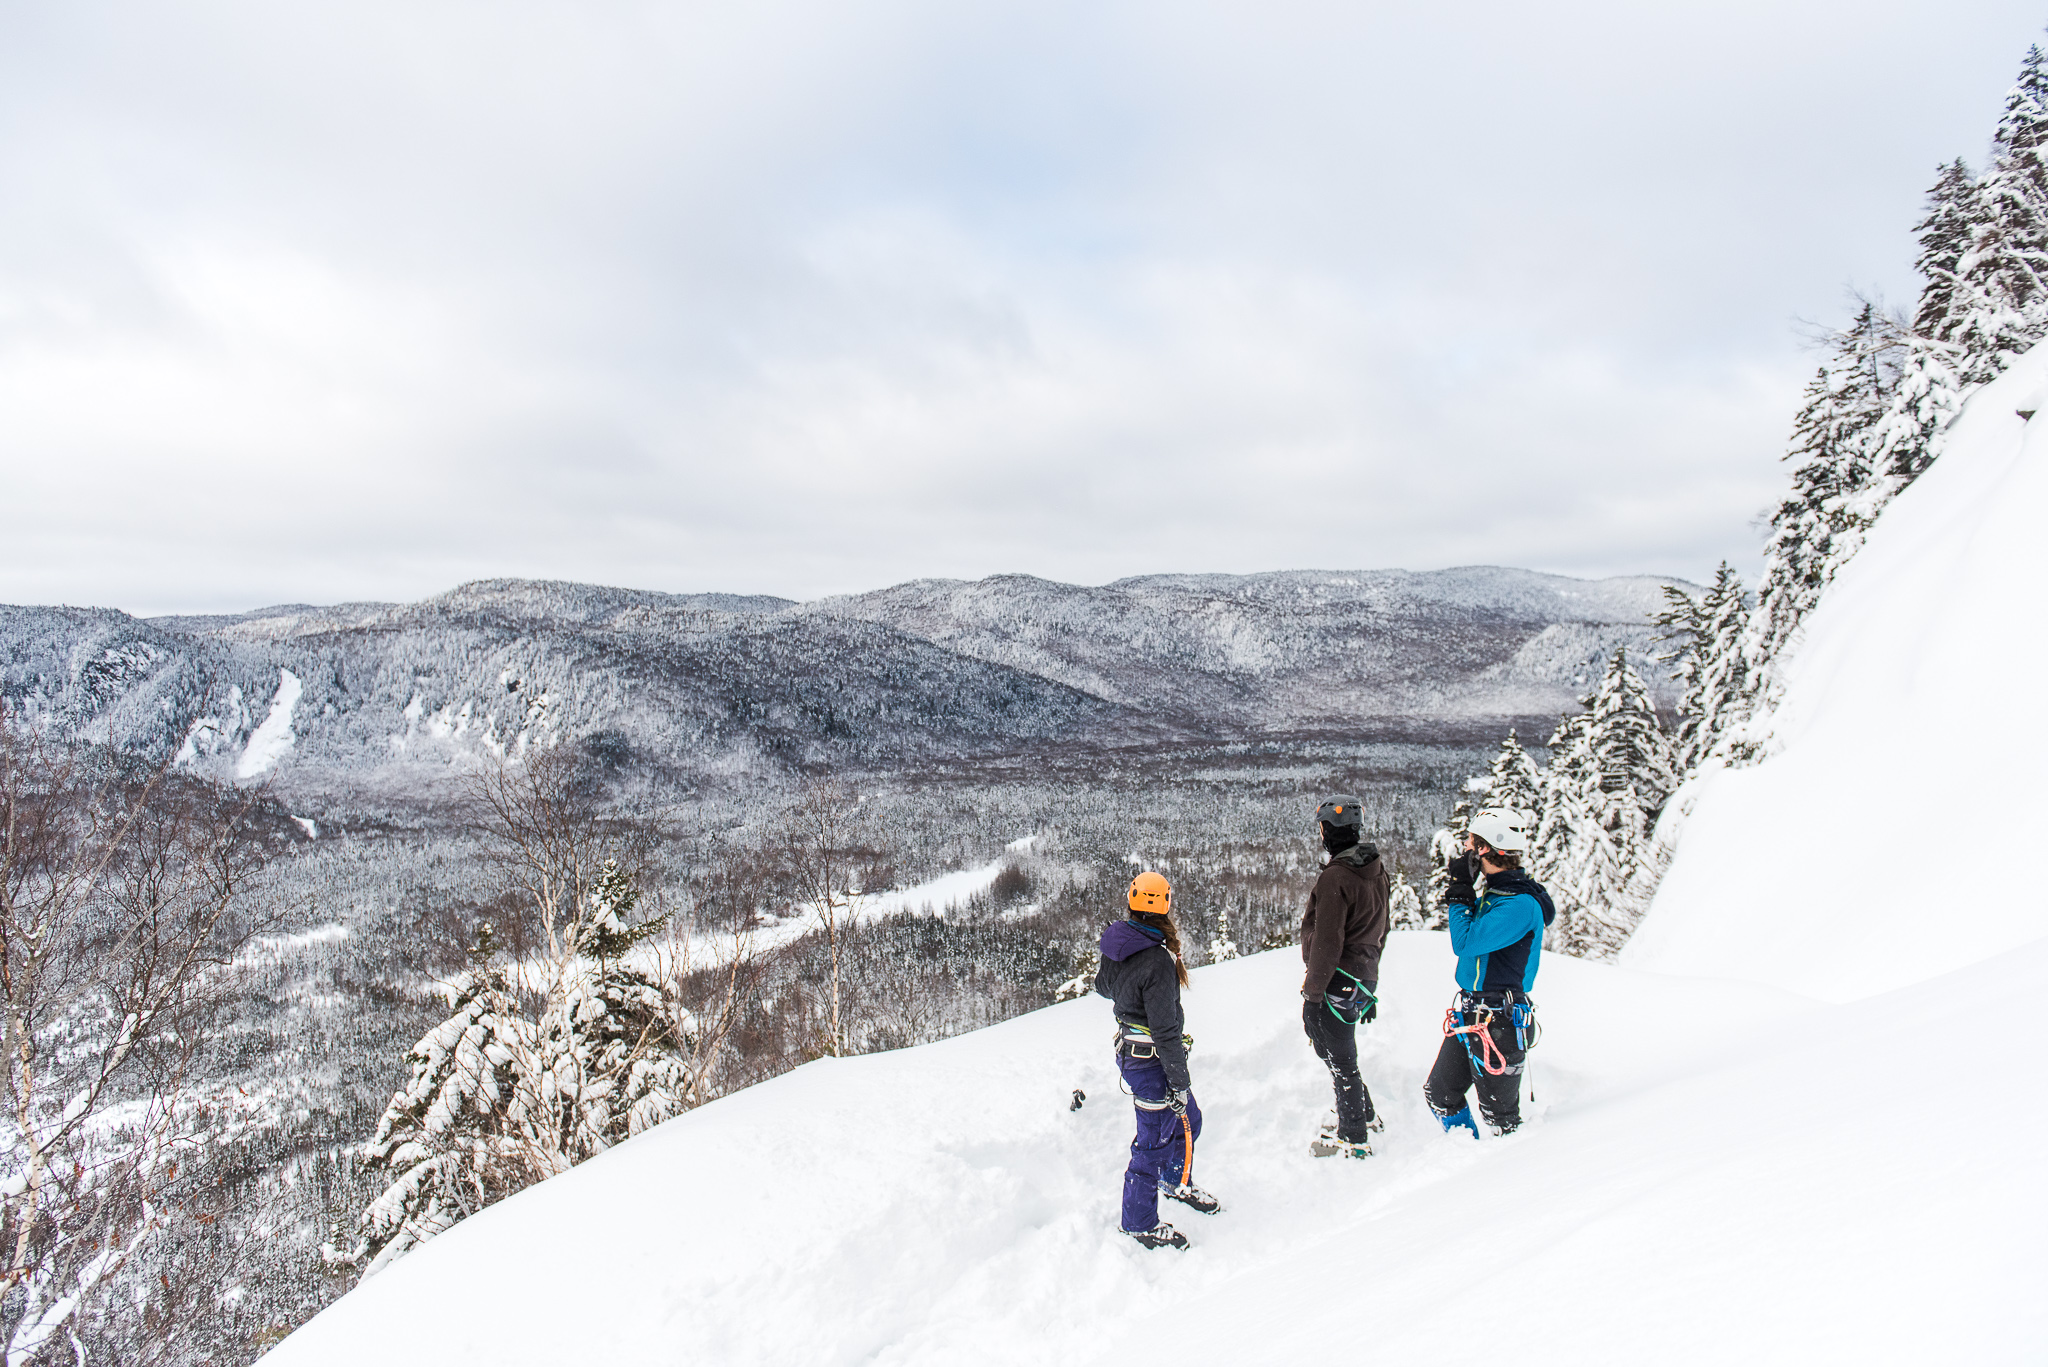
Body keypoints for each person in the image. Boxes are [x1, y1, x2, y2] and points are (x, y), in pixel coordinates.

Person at [1094, 870, 1220, 1250]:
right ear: (1165, 905)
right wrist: (1180, 1082)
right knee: (1151, 1143)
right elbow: (1165, 1031)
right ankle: (1138, 1222)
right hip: (1151, 1062)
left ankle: (1174, 1180)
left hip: (1136, 1053)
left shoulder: (1120, 941)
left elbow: (1103, 987)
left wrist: (1127, 989)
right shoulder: (1157, 959)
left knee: (1189, 1121)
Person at [1424, 806, 1555, 1137]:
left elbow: (1465, 943)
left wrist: (1459, 890)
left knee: (1501, 1120)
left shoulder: (1517, 904)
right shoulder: (1500, 892)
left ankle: (1507, 1177)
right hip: (1476, 1013)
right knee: (1440, 1094)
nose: (1466, 848)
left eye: (1471, 842)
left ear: (1484, 849)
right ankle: (1467, 1155)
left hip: (1499, 1020)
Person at [1299, 796, 1390, 1159]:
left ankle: (1353, 1135)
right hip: (1360, 976)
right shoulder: (1374, 869)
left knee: (1340, 1056)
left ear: (1325, 830)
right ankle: (1362, 1113)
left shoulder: (1336, 877)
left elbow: (1327, 941)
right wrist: (1370, 980)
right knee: (1333, 1048)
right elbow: (1382, 927)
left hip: (1336, 979)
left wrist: (1312, 995)